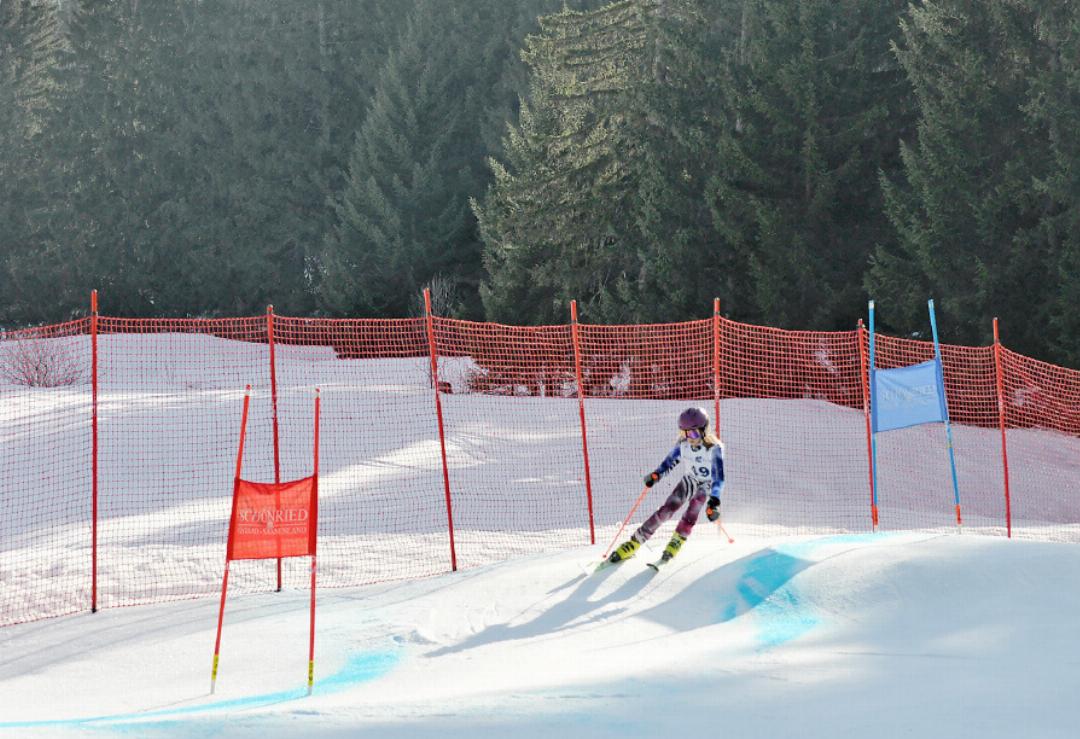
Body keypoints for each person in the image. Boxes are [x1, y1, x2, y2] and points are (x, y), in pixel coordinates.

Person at [608, 406, 725, 565]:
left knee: (692, 511)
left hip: (705, 485)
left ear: (704, 430)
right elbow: (670, 462)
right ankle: (636, 541)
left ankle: (677, 541)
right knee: (666, 510)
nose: (689, 437)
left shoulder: (714, 449)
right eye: (684, 433)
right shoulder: (683, 444)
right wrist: (657, 475)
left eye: (693, 433)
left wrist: (715, 501)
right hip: (689, 480)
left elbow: (718, 477)